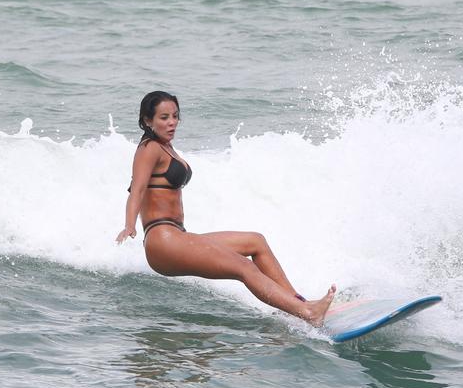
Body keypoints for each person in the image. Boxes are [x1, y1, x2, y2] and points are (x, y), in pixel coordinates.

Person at [116, 91, 335, 326]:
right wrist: (129, 225)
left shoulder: (165, 146)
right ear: (148, 121)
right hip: (163, 240)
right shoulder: (149, 148)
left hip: (176, 236)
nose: (171, 122)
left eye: (175, 116)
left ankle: (297, 304)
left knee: (255, 242)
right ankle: (308, 313)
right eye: (164, 117)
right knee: (244, 267)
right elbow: (137, 190)